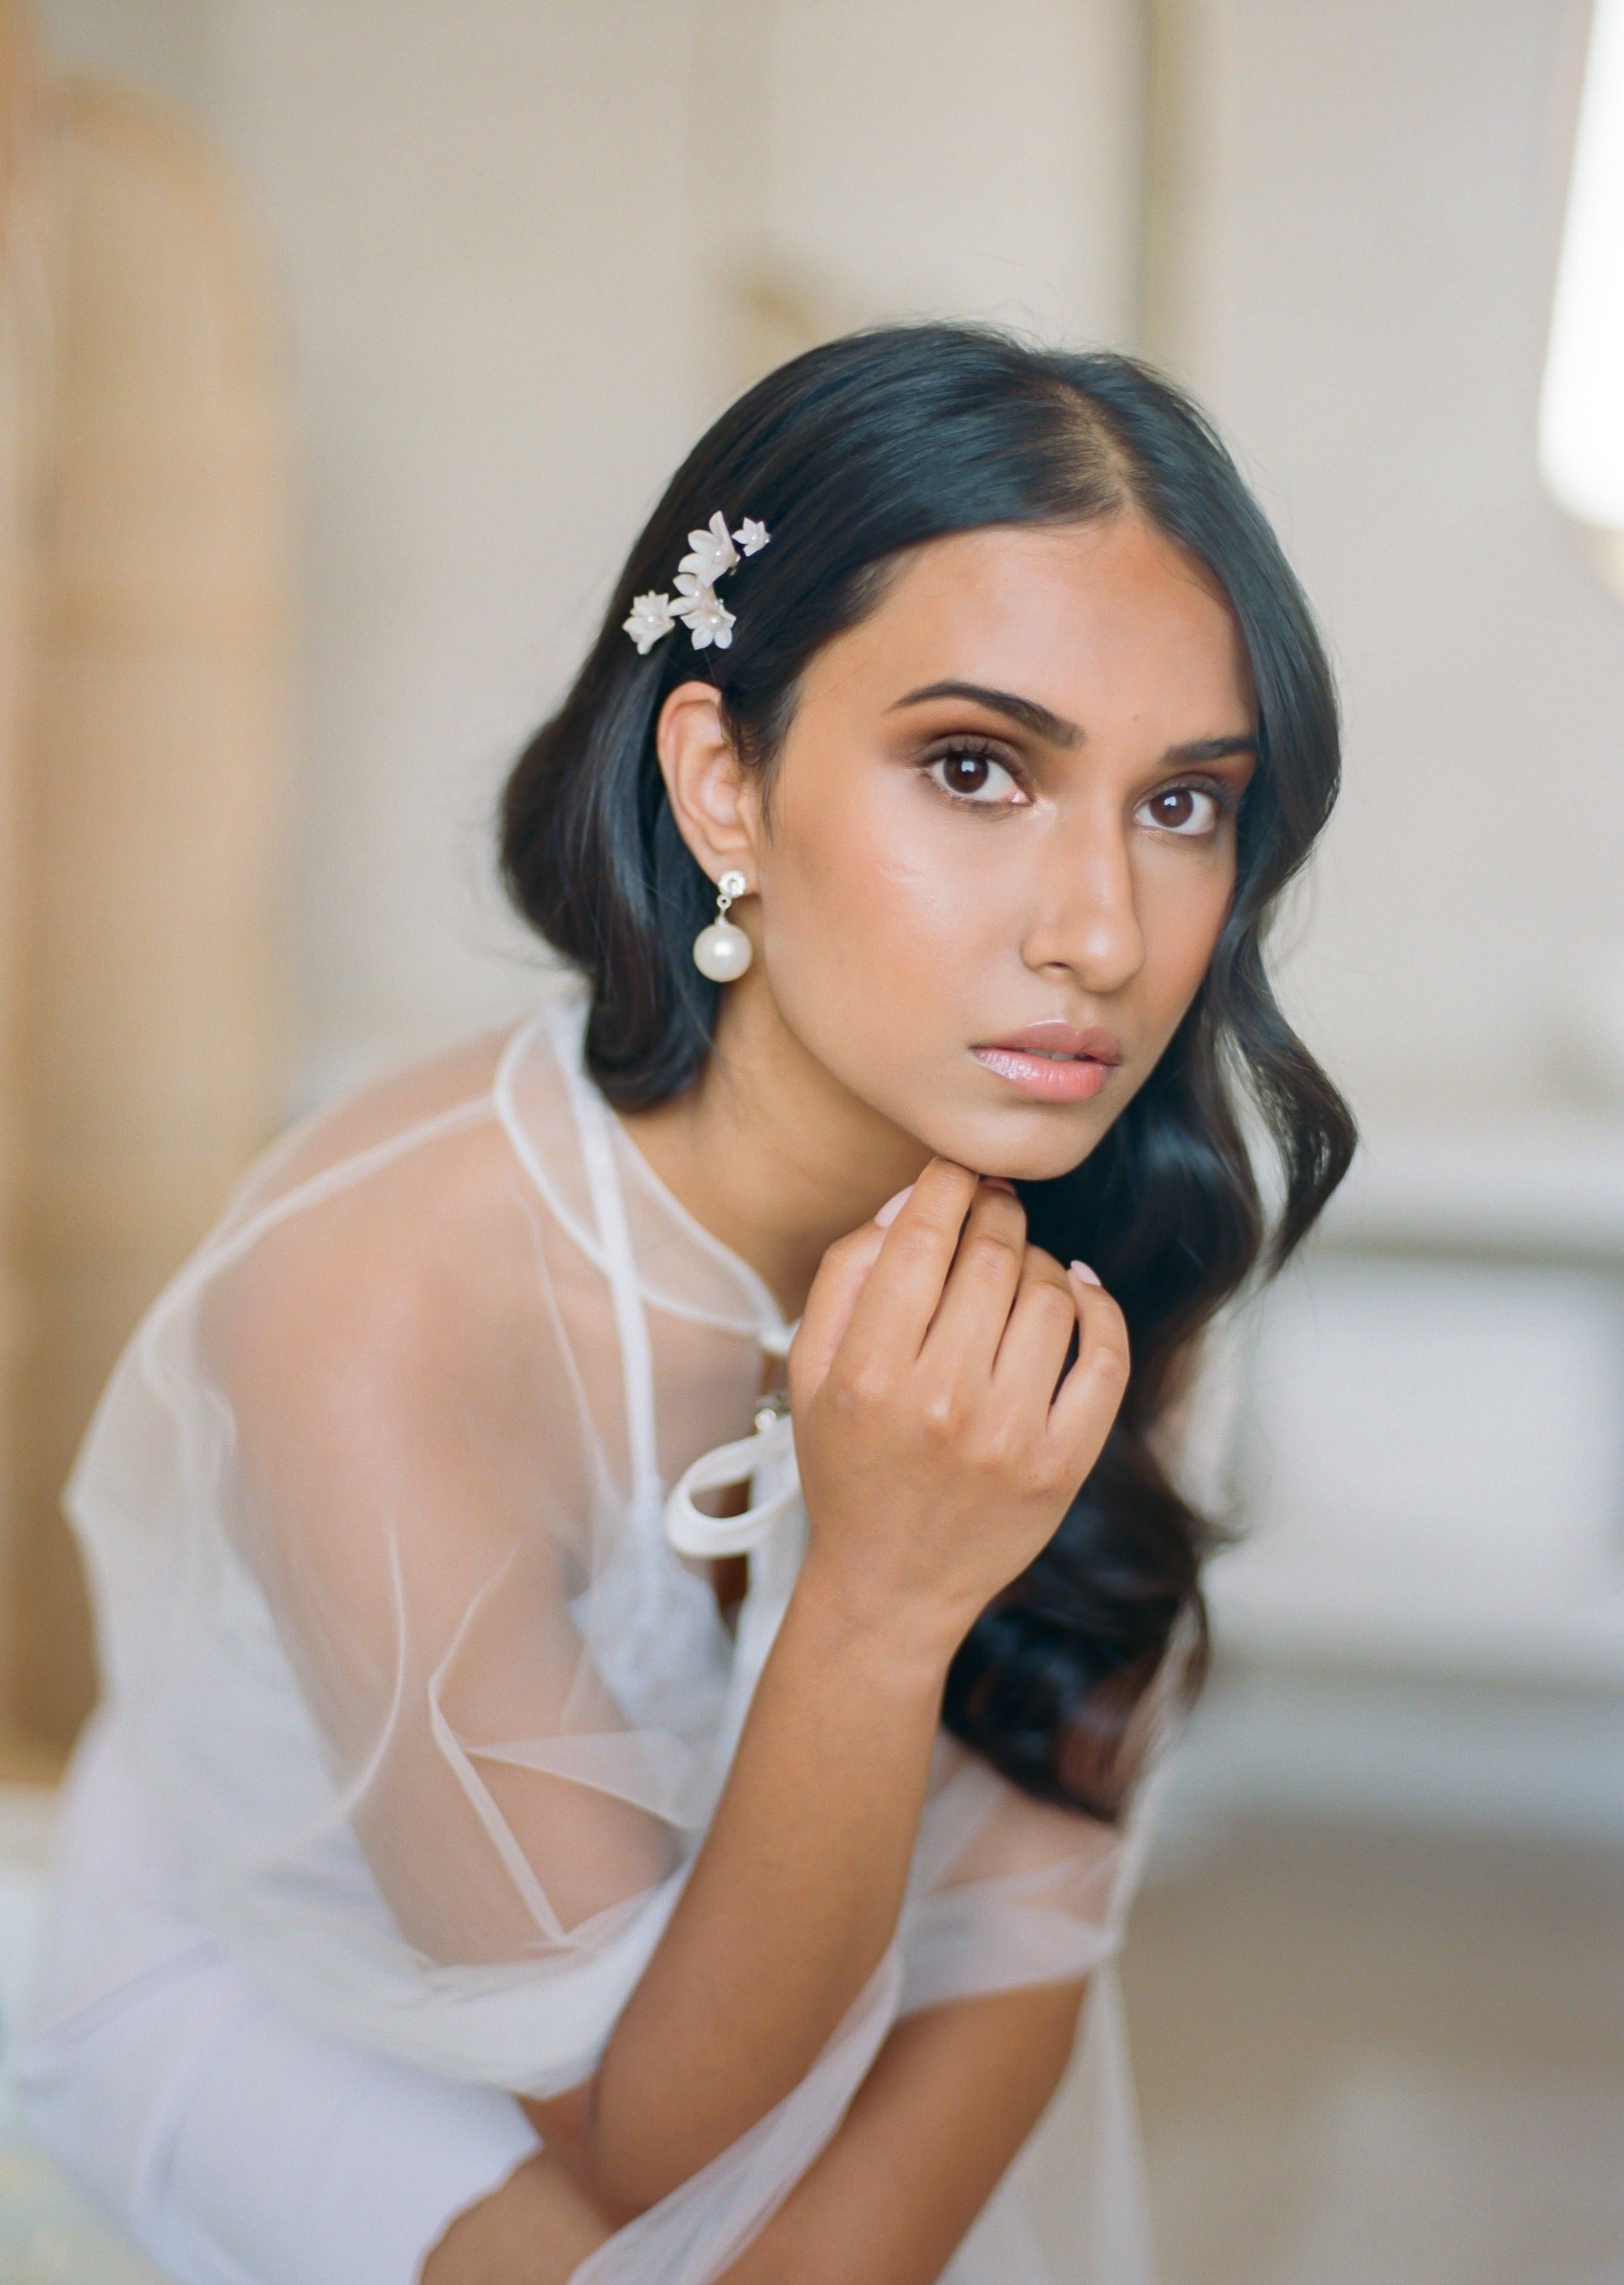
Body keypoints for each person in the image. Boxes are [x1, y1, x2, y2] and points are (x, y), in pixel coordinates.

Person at [13, 324, 1354, 2285]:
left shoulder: (1120, 1224)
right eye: (977, 768)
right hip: (289, 1983)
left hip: (751, 2044)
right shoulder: (379, 1297)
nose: (1101, 934)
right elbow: (649, 2140)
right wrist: (885, 1591)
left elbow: (1023, 1931)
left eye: (1182, 804)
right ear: (722, 776)